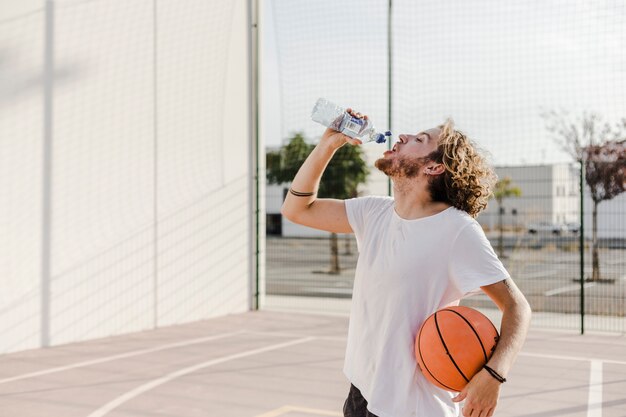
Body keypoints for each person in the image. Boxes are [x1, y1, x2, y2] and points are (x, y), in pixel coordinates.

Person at [281, 109, 532, 417]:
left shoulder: (457, 230)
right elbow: (296, 210)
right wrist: (327, 146)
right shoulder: (374, 213)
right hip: (362, 391)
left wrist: (493, 375)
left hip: (413, 406)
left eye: (419, 139)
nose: (402, 137)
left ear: (434, 166)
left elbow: (518, 308)